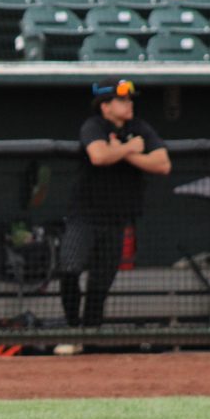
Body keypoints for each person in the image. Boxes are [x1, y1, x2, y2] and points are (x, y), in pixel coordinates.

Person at [54, 78, 171, 356]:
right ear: (105, 106)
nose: (129, 104)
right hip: (85, 215)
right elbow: (98, 156)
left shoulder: (139, 128)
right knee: (69, 268)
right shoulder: (93, 125)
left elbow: (163, 164)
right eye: (122, 100)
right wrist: (130, 149)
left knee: (100, 283)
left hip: (117, 218)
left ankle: (90, 337)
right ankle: (73, 329)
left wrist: (124, 154)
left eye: (129, 100)